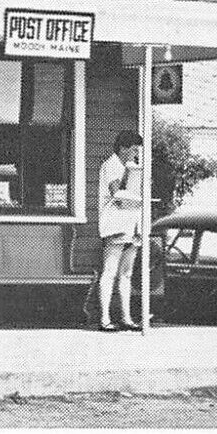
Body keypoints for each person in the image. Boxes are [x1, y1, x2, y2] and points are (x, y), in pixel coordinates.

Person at [94, 131, 145, 331]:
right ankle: (105, 319)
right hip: (115, 224)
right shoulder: (111, 165)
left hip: (132, 224)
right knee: (110, 272)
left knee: (126, 274)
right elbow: (117, 192)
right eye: (133, 150)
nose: (135, 154)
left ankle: (126, 318)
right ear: (123, 148)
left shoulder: (131, 168)